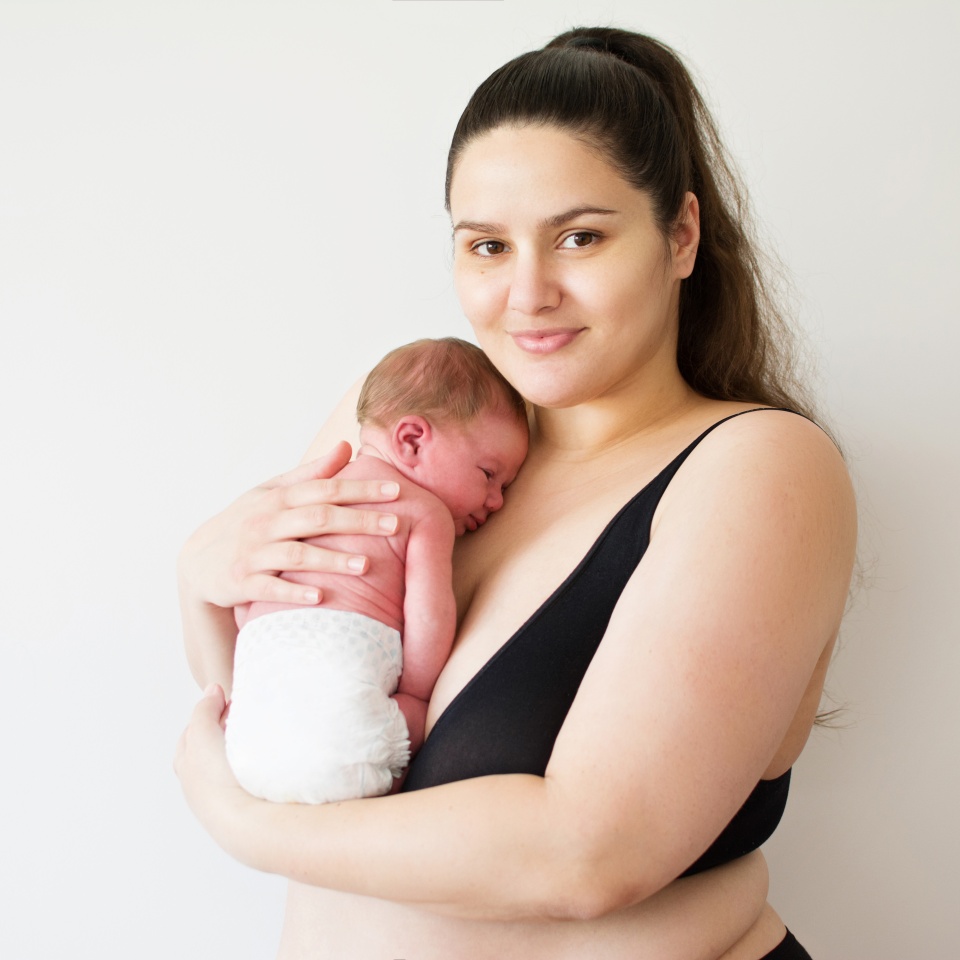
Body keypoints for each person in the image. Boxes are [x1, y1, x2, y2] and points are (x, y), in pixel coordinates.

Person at [175, 26, 857, 960]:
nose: (528, 294)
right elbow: (273, 682)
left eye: (580, 237)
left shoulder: (758, 467)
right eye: (488, 245)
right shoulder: (406, 420)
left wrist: (241, 825)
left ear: (681, 234)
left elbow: (592, 853)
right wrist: (197, 577)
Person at [226, 337, 528, 804]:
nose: (497, 501)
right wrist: (417, 697)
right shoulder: (423, 512)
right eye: (489, 474)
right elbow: (428, 617)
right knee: (415, 728)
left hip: (248, 739)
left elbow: (250, 589)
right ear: (411, 440)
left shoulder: (314, 493)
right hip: (349, 728)